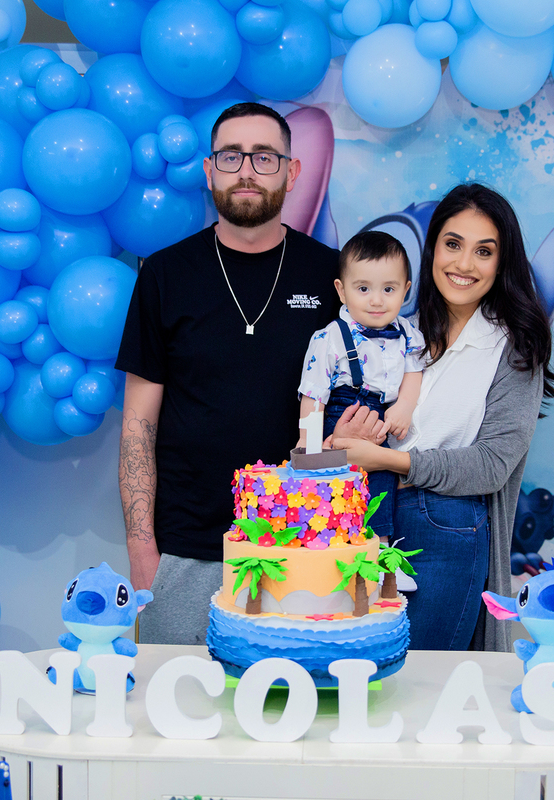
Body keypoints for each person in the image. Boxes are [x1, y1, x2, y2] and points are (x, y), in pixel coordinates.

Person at [115, 102, 340, 645]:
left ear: (292, 172)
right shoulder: (165, 274)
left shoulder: (331, 275)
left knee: (295, 696)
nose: (246, 170)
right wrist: (143, 552)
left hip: (304, 547)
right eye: (231, 156)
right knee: (178, 697)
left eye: (265, 157)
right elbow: (137, 428)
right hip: (185, 551)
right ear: (209, 170)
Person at [329, 183, 554, 652]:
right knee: (359, 670)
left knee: (419, 678)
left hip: (444, 529)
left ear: (501, 262)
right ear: (433, 248)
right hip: (370, 521)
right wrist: (345, 436)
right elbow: (355, 421)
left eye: (484, 251)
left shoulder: (513, 349)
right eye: (453, 244)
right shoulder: (399, 333)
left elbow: (491, 465)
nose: (464, 264)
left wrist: (388, 461)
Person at [296, 230, 424, 539]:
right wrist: (309, 444)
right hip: (341, 410)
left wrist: (404, 407)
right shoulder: (330, 337)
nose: (376, 300)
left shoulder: (407, 333)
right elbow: (314, 393)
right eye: (363, 288)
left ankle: (377, 546)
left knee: (381, 481)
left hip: (381, 416)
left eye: (389, 289)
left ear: (405, 291)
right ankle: (331, 541)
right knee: (335, 483)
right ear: (342, 291)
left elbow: (414, 370)